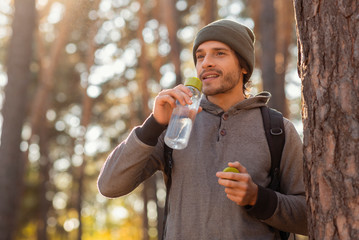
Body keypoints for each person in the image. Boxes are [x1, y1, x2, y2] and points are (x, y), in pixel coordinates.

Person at [98, 19, 308, 239]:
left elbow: (310, 215)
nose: (206, 62)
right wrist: (154, 124)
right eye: (200, 56)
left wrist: (257, 198)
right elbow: (109, 186)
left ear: (244, 65)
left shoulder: (278, 130)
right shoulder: (175, 124)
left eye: (219, 53)